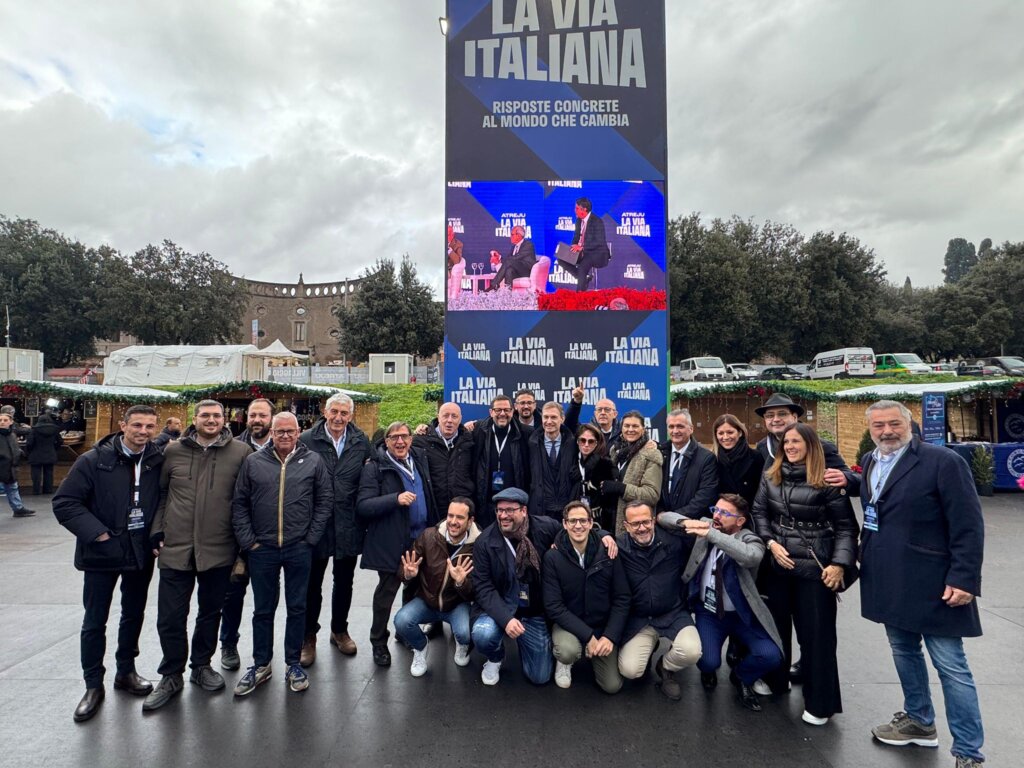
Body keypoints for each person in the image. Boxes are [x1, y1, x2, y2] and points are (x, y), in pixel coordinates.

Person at [859, 400, 986, 767]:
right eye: (879, 426)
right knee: (904, 652)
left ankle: (968, 751)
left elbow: (968, 523)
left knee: (951, 665)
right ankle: (919, 721)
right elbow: (881, 503)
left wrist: (964, 578)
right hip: (888, 578)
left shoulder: (943, 461)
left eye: (894, 424)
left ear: (909, 424)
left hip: (934, 582)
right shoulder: (870, 461)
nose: (887, 431)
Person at [53, 405, 163, 722]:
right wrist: (98, 534)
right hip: (102, 553)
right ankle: (92, 684)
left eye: (150, 426)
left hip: (140, 551)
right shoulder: (93, 460)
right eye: (137, 425)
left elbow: (165, 500)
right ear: (123, 425)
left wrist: (158, 534)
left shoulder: (157, 460)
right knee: (95, 620)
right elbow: (65, 502)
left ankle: (125, 671)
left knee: (133, 614)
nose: (143, 431)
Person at [143, 400, 251, 711]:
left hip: (218, 547)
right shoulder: (173, 451)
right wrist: (157, 529)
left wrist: (242, 544)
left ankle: (201, 665)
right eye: (206, 415)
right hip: (176, 547)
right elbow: (162, 493)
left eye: (217, 415)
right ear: (195, 418)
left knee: (210, 612)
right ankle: (171, 673)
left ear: (224, 419)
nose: (212, 420)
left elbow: (245, 499)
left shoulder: (241, 453)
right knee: (170, 616)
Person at [751, 422, 859, 726]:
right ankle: (776, 679)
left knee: (817, 636)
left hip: (815, 568)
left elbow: (846, 528)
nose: (790, 447)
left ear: (810, 445)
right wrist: (770, 543)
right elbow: (759, 512)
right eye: (786, 442)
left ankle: (821, 703)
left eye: (796, 442)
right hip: (779, 564)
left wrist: (839, 564)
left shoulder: (827, 480)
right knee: (776, 627)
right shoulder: (770, 476)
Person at [230, 412, 333, 696]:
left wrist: (311, 539)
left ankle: (293, 663)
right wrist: (249, 542)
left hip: (299, 547)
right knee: (263, 609)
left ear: (299, 432)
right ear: (272, 433)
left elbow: (325, 501)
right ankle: (261, 664)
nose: (285, 436)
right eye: (279, 431)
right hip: (261, 549)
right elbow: (240, 503)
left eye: (290, 431)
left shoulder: (313, 461)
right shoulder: (254, 461)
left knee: (297, 607)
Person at [660, 494, 783, 712]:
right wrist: (685, 522)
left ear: (740, 521)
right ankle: (709, 671)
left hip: (742, 615)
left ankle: (741, 677)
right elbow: (663, 517)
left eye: (724, 513)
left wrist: (712, 534)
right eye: (715, 510)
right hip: (708, 612)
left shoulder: (750, 539)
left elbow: (750, 556)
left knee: (771, 655)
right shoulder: (706, 524)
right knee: (708, 662)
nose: (716, 516)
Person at [356, 421, 439, 668]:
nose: (400, 442)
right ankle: (378, 642)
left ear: (411, 439)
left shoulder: (419, 460)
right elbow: (363, 506)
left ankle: (404, 632)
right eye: (394, 438)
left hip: (420, 540)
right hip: (391, 541)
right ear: (387, 441)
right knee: (386, 593)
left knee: (413, 590)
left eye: (404, 436)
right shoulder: (375, 468)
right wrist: (395, 499)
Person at [298, 392, 372, 666]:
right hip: (316, 523)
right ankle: (308, 636)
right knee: (312, 584)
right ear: (325, 412)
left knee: (344, 582)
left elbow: (372, 470)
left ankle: (339, 630)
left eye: (344, 413)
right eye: (334, 412)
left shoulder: (360, 441)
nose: (339, 417)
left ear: (351, 416)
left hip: (348, 522)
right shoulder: (307, 440)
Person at [470, 487, 560, 686]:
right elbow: (483, 587)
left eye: (510, 510)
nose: (503, 515)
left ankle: (530, 642)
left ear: (524, 511)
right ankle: (495, 657)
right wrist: (506, 619)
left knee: (540, 677)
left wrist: (603, 535)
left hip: (533, 610)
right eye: (500, 510)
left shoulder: (545, 527)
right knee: (483, 634)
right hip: (501, 606)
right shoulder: (485, 541)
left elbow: (575, 531)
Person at [615, 500, 701, 701]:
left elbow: (699, 529)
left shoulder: (674, 542)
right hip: (640, 619)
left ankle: (665, 667)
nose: (642, 528)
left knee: (692, 651)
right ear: (626, 525)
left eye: (646, 521)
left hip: (673, 613)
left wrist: (679, 521)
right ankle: (648, 645)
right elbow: (590, 540)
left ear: (654, 520)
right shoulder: (618, 547)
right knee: (630, 670)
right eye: (635, 524)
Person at [543, 500, 630, 693]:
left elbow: (622, 598)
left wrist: (609, 636)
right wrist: (588, 636)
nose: (578, 526)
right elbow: (554, 606)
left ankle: (595, 653)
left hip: (601, 626)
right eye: (572, 521)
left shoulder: (609, 552)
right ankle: (565, 662)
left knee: (612, 686)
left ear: (591, 523)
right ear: (564, 524)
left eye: (583, 520)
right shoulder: (553, 557)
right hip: (568, 625)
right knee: (567, 651)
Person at [393, 497, 480, 677]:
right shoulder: (429, 536)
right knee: (401, 621)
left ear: (470, 521)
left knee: (466, 633)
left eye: (460, 517)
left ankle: (462, 645)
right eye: (450, 515)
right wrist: (408, 574)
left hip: (456, 604)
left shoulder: (479, 545)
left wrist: (461, 582)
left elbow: (476, 591)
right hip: (427, 601)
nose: (453, 522)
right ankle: (420, 647)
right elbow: (405, 567)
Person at [218, 398, 274, 671]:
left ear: (272, 418)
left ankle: (265, 651)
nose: (257, 420)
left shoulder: (286, 446)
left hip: (273, 537)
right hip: (239, 537)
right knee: (232, 595)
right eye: (253, 415)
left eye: (262, 415)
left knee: (268, 598)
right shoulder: (233, 448)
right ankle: (228, 643)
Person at [452, 394, 531, 528]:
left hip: (513, 504)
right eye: (498, 410)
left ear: (513, 411)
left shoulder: (525, 433)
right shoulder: (478, 430)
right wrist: (427, 428)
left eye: (506, 410)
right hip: (485, 503)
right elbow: (454, 434)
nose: (502, 414)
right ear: (491, 412)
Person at [755, 393, 859, 494]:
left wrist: (846, 478)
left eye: (782, 414)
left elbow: (852, 480)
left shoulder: (821, 446)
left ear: (794, 417)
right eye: (770, 416)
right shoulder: (763, 447)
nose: (776, 419)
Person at [601, 410, 663, 535]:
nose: (630, 429)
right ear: (621, 428)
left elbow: (651, 495)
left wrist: (621, 488)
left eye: (635, 426)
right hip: (609, 521)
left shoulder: (651, 454)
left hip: (634, 526)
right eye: (627, 426)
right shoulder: (615, 450)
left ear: (643, 429)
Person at [658, 408, 719, 520]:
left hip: (690, 523)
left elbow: (705, 496)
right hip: (661, 521)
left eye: (680, 426)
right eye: (671, 427)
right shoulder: (659, 453)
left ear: (691, 429)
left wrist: (674, 518)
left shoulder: (707, 458)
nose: (675, 431)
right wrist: (660, 514)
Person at [413, 401, 470, 517]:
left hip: (461, 510)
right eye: (445, 416)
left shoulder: (469, 440)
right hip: (432, 509)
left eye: (454, 416)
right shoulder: (420, 440)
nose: (449, 420)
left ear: (460, 419)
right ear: (438, 417)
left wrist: (475, 423)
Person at [526, 401, 577, 519]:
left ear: (562, 419)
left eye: (553, 417)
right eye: (546, 417)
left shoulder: (573, 444)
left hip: (567, 509)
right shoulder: (531, 444)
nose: (549, 421)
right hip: (540, 510)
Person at [569, 423, 616, 533]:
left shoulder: (605, 465)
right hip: (574, 516)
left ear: (597, 443)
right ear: (577, 442)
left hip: (598, 520)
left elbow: (610, 501)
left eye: (590, 441)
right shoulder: (571, 462)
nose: (586, 445)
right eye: (582, 440)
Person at [712, 414, 765, 508]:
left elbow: (761, 490)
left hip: (747, 511)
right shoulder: (712, 458)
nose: (725, 437)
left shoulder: (756, 457)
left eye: (730, 432)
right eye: (720, 433)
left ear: (740, 433)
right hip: (720, 512)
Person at [563, 196, 610, 291]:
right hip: (582, 251)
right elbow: (576, 237)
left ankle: (579, 294)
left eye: (577, 208)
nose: (575, 211)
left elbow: (599, 241)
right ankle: (585, 278)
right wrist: (573, 247)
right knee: (562, 259)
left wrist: (582, 247)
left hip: (597, 253)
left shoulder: (597, 221)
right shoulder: (578, 220)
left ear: (584, 209)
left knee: (582, 266)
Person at [1, 412, 35, 517]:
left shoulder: (12, 435)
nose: (2, 422)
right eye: (0, 420)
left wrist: (19, 454)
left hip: (10, 467)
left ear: (11, 422)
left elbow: (14, 448)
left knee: (12, 488)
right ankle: (18, 508)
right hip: (2, 465)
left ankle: (18, 509)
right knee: (11, 488)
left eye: (5, 420)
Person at [486, 225, 537, 291]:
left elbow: (516, 258)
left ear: (518, 235)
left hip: (526, 271)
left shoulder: (528, 244)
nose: (510, 237)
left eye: (512, 234)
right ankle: (508, 293)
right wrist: (499, 258)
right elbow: (509, 260)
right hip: (517, 272)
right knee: (509, 270)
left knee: (509, 262)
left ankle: (494, 285)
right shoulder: (514, 247)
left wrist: (500, 259)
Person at [26, 411, 64, 495]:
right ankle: (48, 490)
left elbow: (29, 443)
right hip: (50, 453)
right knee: (49, 473)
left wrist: (29, 451)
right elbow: (60, 441)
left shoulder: (34, 430)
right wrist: (54, 448)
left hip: (36, 454)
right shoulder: (55, 429)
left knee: (36, 474)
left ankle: (36, 490)